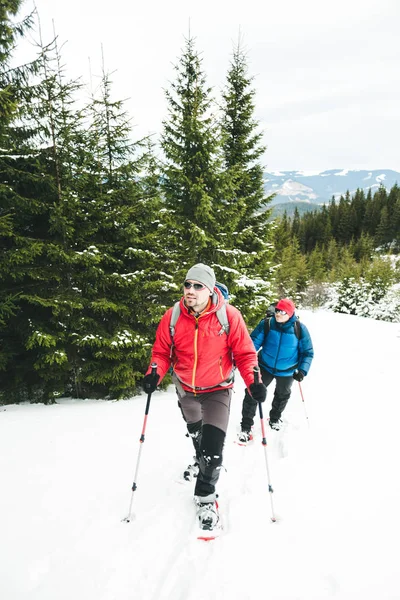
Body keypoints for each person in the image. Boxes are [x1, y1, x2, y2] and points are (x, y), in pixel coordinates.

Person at [142, 263, 266, 531]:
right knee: (197, 435)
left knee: (213, 452)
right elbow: (161, 352)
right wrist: (155, 374)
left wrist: (253, 382)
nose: (191, 290)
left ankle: (205, 497)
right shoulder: (173, 316)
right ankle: (201, 461)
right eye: (187, 284)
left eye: (198, 286)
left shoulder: (229, 317)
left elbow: (245, 354)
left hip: (217, 389)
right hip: (185, 388)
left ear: (209, 290)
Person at [238, 298, 314, 443]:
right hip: (265, 365)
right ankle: (246, 426)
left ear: (290, 314)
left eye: (283, 312)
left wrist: (302, 370)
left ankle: (274, 418)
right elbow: (252, 344)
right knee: (252, 392)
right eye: (277, 310)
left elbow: (308, 352)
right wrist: (244, 360)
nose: (278, 314)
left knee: (282, 395)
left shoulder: (300, 329)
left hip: (287, 370)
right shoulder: (267, 324)